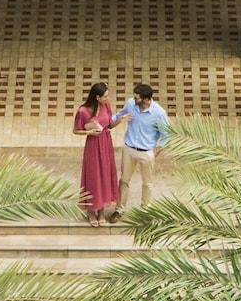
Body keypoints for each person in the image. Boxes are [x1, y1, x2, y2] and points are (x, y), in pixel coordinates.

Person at [117, 82, 170, 211]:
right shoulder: (131, 104)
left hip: (146, 153)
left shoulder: (159, 113)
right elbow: (119, 114)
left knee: (147, 183)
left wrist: (155, 152)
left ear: (146, 99)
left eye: (137, 98)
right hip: (129, 149)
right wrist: (108, 123)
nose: (133, 100)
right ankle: (119, 209)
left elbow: (166, 135)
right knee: (124, 181)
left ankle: (145, 210)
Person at [73, 82, 119, 224]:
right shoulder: (83, 111)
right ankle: (91, 212)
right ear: (97, 97)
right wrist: (89, 132)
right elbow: (76, 130)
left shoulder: (106, 105)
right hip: (92, 145)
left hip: (105, 143)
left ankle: (102, 211)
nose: (107, 98)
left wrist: (121, 120)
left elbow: (110, 124)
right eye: (105, 96)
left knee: (105, 175)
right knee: (93, 176)